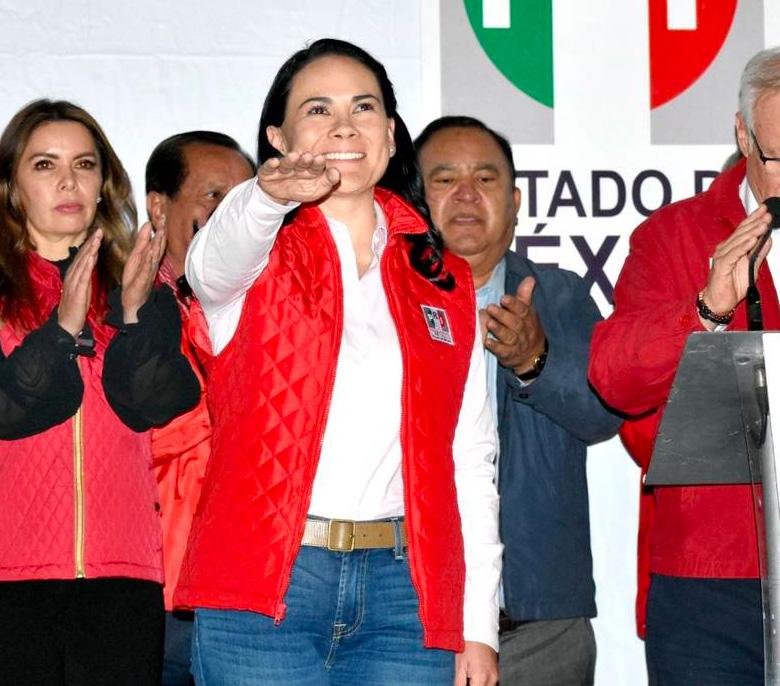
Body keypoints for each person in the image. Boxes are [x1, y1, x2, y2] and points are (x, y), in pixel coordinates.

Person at [174, 38, 502, 686]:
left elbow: (470, 458)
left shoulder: (442, 279)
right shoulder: (251, 249)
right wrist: (265, 195)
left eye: (364, 107)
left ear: (391, 133)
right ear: (278, 137)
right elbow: (209, 266)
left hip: (407, 597)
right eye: (318, 110)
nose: (345, 126)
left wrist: (477, 625)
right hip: (264, 586)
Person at [588, 46, 780, 685]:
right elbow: (613, 379)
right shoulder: (674, 236)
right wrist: (706, 311)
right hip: (712, 576)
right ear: (743, 136)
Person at [415, 116, 622, 686]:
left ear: (515, 202)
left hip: (541, 627)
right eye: (444, 179)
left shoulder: (560, 294)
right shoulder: (380, 300)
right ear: (412, 198)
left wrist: (536, 359)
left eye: (485, 179)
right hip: (408, 624)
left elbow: (605, 414)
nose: (465, 194)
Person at [0, 99, 200, 685]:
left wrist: (135, 313)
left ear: (104, 183)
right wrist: (61, 330)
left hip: (124, 575)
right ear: (12, 186)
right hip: (10, 577)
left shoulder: (137, 282)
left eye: (84, 164)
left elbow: (154, 405)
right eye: (44, 165)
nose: (68, 181)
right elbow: (9, 411)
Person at [145, 131, 255, 686]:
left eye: (244, 199)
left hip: (256, 591)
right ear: (158, 207)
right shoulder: (119, 309)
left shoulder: (271, 306)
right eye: (214, 195)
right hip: (160, 591)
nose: (229, 213)